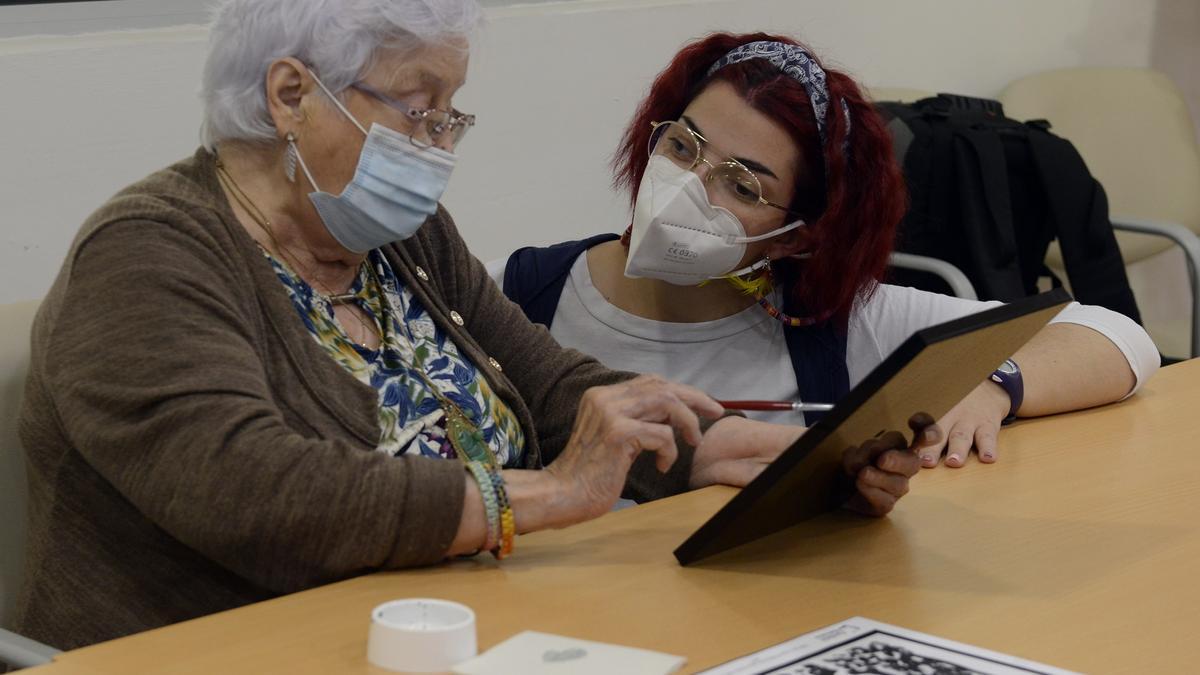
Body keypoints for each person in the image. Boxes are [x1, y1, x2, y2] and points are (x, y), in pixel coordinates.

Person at [12, 3, 931, 651]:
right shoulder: (144, 256)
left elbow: (549, 382)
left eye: (451, 114)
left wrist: (722, 447)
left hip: (475, 634)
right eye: (421, 111)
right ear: (291, 95)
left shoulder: (394, 236)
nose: (442, 143)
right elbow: (259, 493)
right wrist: (540, 495)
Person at [491, 32, 1160, 468]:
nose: (688, 189)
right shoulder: (521, 296)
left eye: (742, 183)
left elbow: (1119, 337)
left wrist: (995, 384)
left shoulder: (823, 322)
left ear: (801, 232)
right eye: (683, 147)